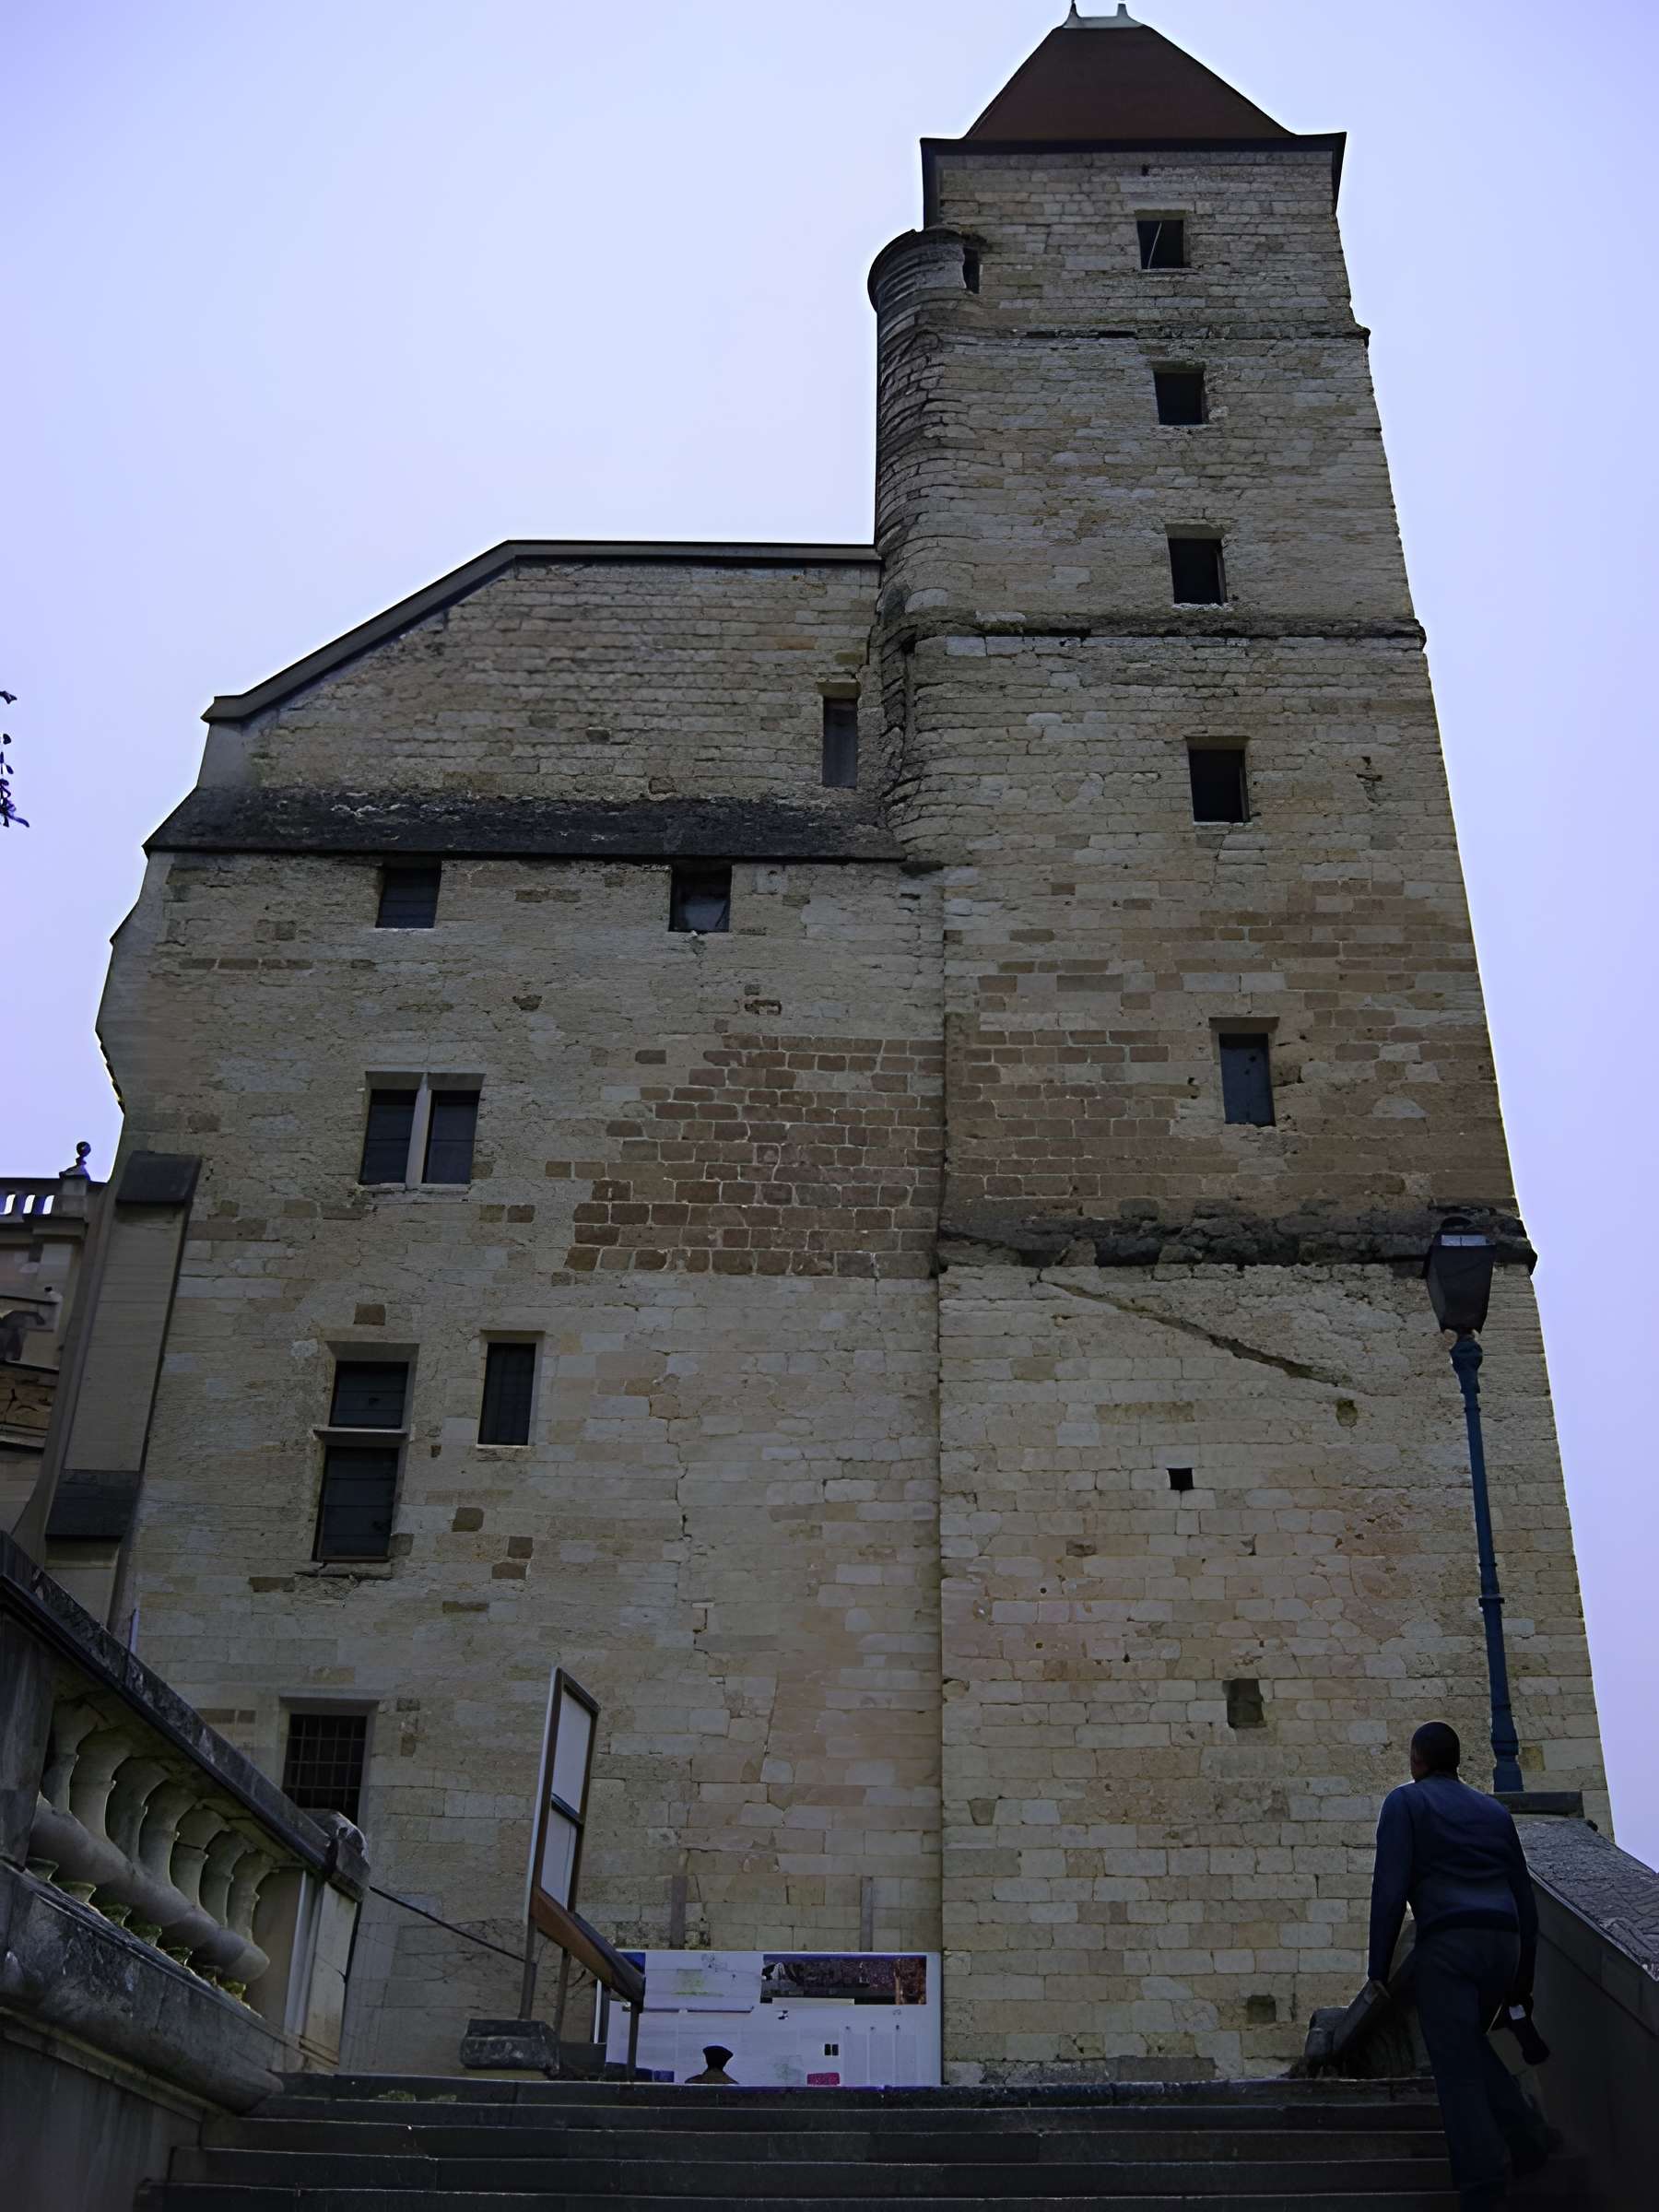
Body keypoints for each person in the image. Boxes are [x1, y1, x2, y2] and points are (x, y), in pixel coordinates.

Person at [1368, 1722, 1554, 2209]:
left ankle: (1482, 2180)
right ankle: (1527, 2133)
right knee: (1466, 2044)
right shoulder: (1494, 1812)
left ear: (1418, 1760)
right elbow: (1524, 1898)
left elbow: (1389, 1891)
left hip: (1450, 1943)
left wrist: (1377, 1970)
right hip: (1504, 1943)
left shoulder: (1404, 1803)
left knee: (1454, 2067)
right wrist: (1522, 1981)